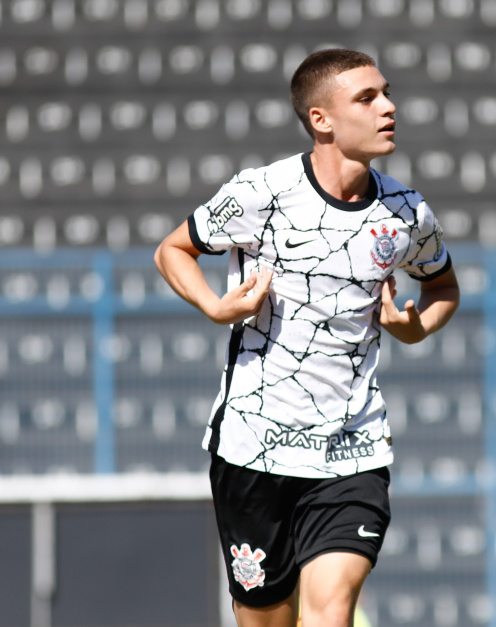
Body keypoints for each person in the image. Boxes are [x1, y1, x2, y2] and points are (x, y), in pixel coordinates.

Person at [154, 48, 459, 627]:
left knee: (331, 610)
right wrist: (216, 307)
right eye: (367, 98)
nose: (388, 107)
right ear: (321, 119)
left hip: (353, 447)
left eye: (386, 93)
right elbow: (173, 249)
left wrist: (416, 328)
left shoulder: (405, 212)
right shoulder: (261, 193)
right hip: (254, 447)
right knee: (268, 617)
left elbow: (444, 289)